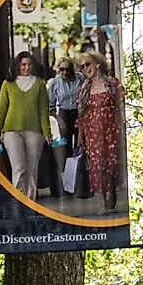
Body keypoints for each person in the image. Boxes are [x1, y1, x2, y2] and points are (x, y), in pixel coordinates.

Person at [0, 50, 53, 198]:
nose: (26, 67)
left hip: (34, 131)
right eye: (23, 64)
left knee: (32, 169)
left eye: (29, 65)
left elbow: (43, 111)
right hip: (11, 131)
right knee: (18, 167)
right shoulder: (8, 84)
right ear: (18, 65)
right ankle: (19, 201)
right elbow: (1, 109)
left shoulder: (39, 84)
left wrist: (47, 132)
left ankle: (30, 202)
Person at [76, 51, 126, 208]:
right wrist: (80, 136)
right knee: (97, 165)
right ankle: (101, 199)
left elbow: (121, 105)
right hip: (92, 132)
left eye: (88, 64)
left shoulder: (112, 84)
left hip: (111, 129)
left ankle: (111, 190)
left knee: (112, 163)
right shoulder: (84, 89)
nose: (86, 68)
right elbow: (82, 114)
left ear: (97, 64)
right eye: (82, 66)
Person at [47, 58, 80, 194]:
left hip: (78, 112)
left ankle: (80, 182)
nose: (65, 72)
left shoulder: (80, 78)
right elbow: (50, 105)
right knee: (65, 149)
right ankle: (67, 184)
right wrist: (58, 119)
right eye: (62, 69)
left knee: (80, 147)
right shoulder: (55, 82)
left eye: (67, 69)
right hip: (64, 113)